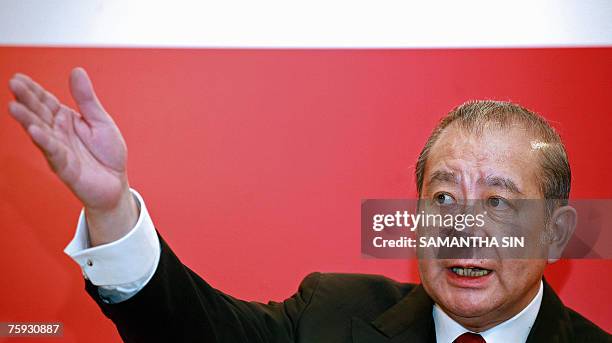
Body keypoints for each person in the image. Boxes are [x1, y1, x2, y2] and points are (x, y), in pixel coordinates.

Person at [7, 68, 610, 343]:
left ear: (557, 234)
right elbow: (189, 329)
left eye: (499, 202)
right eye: (444, 197)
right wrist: (111, 209)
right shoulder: (331, 314)